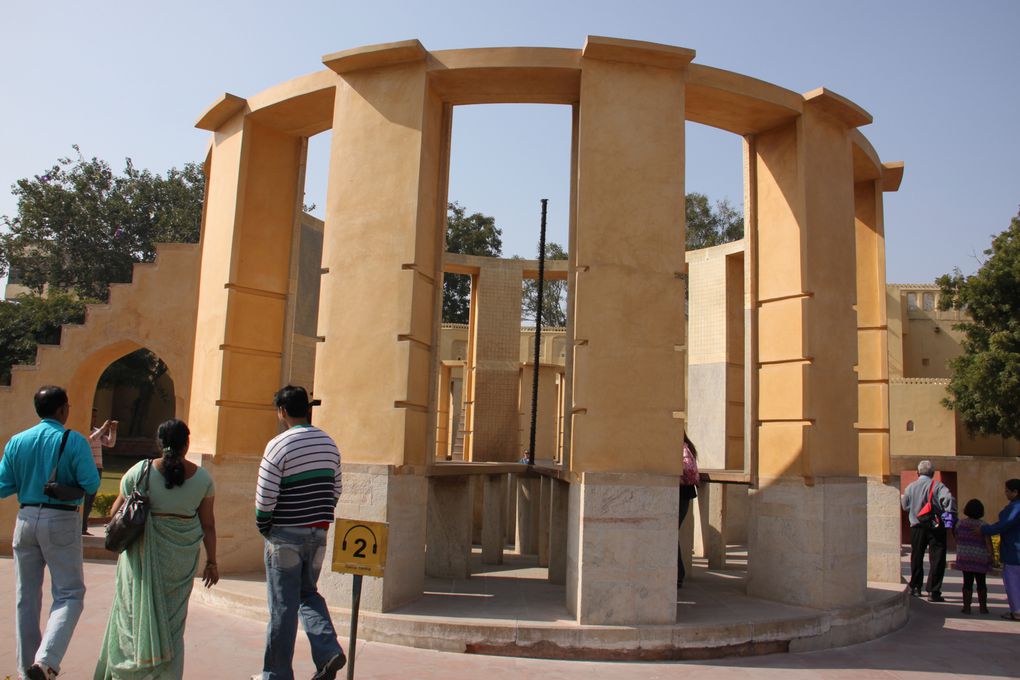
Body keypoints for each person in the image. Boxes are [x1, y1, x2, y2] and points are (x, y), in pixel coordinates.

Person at [95, 418, 218, 679]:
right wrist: (212, 562)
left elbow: (115, 513)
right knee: (172, 626)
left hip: (140, 562)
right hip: (180, 563)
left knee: (133, 618)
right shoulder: (203, 479)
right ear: (186, 444)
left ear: (159, 444)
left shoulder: (139, 472)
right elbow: (208, 525)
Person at [0, 385, 101, 680]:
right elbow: (92, 485)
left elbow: (3, 485)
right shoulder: (73, 440)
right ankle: (45, 662)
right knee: (69, 594)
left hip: (26, 518)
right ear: (63, 409)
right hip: (61, 518)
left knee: (26, 597)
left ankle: (25, 669)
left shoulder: (17, 441)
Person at [254, 385, 345, 680]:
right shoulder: (329, 443)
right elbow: (336, 489)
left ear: (282, 411)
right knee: (308, 594)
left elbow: (265, 494)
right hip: (318, 532)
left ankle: (276, 674)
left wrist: (264, 524)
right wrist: (317, 516)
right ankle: (328, 650)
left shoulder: (278, 445)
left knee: (282, 604)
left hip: (285, 534)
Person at [901, 460, 956, 601]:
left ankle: (915, 586)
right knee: (937, 558)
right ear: (932, 473)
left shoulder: (910, 487)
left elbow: (905, 506)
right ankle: (934, 590)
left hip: (917, 526)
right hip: (935, 526)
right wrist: (949, 514)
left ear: (917, 472)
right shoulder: (938, 486)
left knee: (917, 556)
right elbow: (948, 499)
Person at [980, 478, 1020, 621]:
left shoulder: (1015, 508)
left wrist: (984, 529)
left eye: (1007, 491)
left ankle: (1017, 611)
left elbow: (1004, 525)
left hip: (1014, 551)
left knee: (1013, 582)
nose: (1005, 493)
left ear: (1015, 492)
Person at [954, 498, 992, 614]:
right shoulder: (983, 525)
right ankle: (983, 607)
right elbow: (988, 542)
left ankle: (966, 607)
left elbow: (957, 537)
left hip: (965, 557)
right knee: (981, 582)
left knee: (967, 582)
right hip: (980, 557)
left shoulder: (960, 523)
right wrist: (991, 555)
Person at [82, 409, 117, 534]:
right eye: (92, 416)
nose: (94, 419)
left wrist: (112, 430)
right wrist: (102, 429)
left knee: (91, 498)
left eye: (95, 416)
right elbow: (88, 441)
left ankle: (83, 526)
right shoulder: (83, 431)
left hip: (98, 468)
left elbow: (110, 443)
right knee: (85, 499)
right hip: (87, 468)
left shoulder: (98, 431)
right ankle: (81, 527)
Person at [677, 434, 699, 588]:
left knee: (670, 534)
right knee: (672, 533)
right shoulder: (688, 446)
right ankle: (678, 574)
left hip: (679, 494)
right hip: (685, 494)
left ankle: (678, 574)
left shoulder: (678, 446)